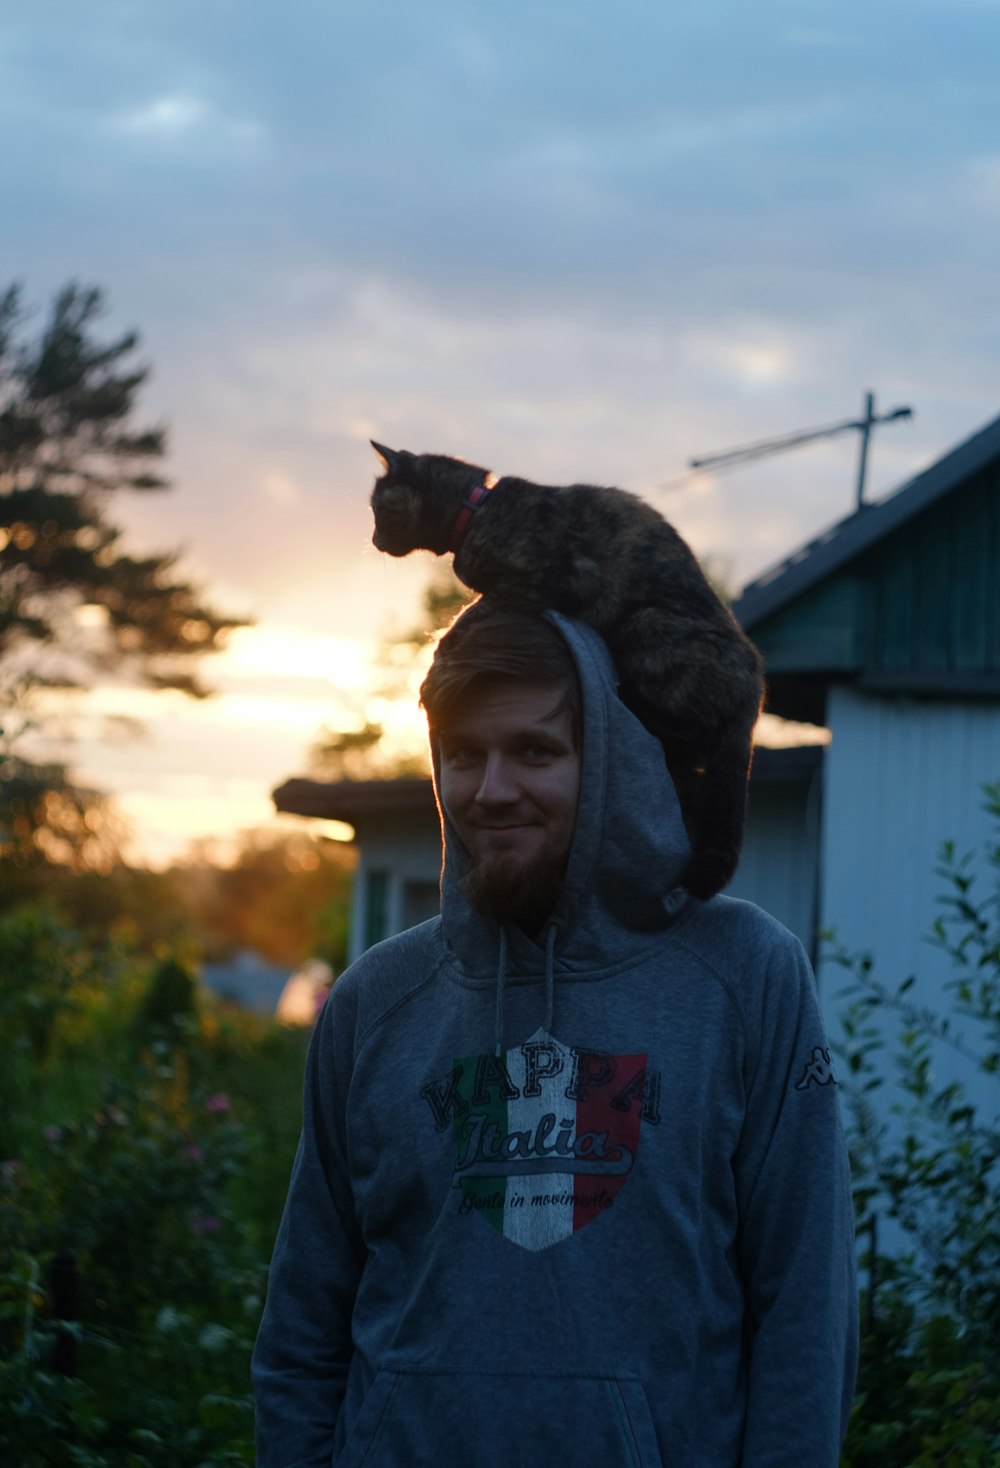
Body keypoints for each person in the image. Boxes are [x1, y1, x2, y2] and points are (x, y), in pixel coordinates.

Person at [252, 602, 858, 1467]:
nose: (493, 790)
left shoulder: (744, 976)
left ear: (610, 758)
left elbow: (806, 1311)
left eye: (536, 751)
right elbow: (302, 1327)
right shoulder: (374, 1004)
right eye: (466, 755)